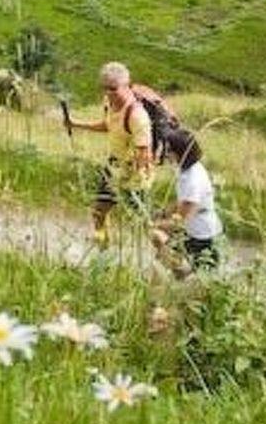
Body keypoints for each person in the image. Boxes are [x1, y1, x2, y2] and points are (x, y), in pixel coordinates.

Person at [67, 61, 154, 244]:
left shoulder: (138, 116)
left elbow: (144, 154)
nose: (108, 93)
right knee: (99, 210)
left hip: (135, 174)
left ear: (127, 86)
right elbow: (108, 125)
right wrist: (76, 124)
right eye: (105, 88)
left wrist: (129, 183)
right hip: (114, 166)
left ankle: (168, 253)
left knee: (144, 223)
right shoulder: (109, 103)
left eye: (113, 89)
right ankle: (103, 247)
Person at [153, 128, 223, 272]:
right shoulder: (187, 170)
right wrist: (164, 212)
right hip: (193, 232)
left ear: (179, 152)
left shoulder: (192, 179)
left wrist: (153, 224)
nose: (166, 155)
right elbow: (183, 202)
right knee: (160, 247)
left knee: (202, 279)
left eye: (169, 151)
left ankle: (183, 274)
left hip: (203, 237)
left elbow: (179, 223)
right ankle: (181, 274)